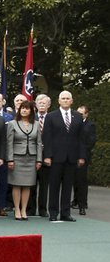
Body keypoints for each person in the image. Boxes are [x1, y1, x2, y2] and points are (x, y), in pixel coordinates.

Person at [43, 90, 86, 223]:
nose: (66, 100)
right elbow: (47, 138)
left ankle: (65, 213)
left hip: (72, 157)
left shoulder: (78, 116)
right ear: (59, 101)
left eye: (68, 98)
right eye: (63, 98)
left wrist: (81, 156)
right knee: (54, 186)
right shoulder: (51, 116)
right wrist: (47, 156)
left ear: (72, 101)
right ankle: (53, 212)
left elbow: (81, 139)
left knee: (68, 186)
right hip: (55, 157)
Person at [6, 99, 42, 220]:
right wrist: (10, 159)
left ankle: (24, 209)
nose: (24, 110)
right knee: (16, 185)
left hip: (31, 158)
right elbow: (9, 143)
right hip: (17, 158)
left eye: (27, 108)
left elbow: (39, 143)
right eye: (22, 108)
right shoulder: (12, 123)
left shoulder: (36, 124)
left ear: (31, 111)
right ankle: (17, 209)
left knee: (28, 185)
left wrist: (39, 160)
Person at [73, 105, 96, 215]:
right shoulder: (74, 124)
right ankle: (75, 200)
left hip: (83, 157)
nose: (79, 115)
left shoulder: (90, 125)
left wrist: (81, 153)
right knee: (74, 180)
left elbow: (91, 142)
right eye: (78, 113)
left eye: (81, 114)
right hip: (72, 157)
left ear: (86, 114)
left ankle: (83, 203)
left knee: (81, 181)